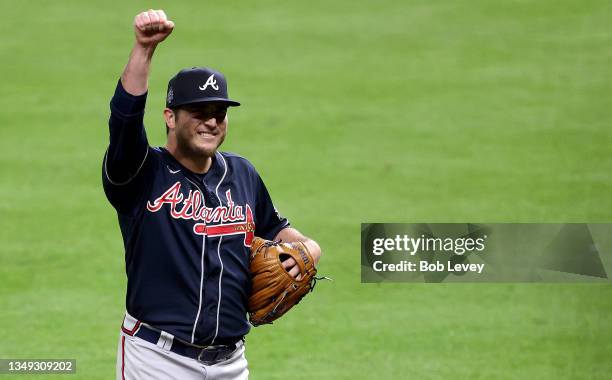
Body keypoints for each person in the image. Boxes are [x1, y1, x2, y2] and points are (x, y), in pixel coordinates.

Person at [102, 9, 322, 380]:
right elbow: (124, 119)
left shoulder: (242, 173)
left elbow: (278, 228)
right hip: (157, 359)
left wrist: (310, 249)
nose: (211, 121)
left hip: (231, 363)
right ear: (170, 117)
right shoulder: (140, 172)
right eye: (199, 112)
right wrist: (144, 50)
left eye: (219, 113)